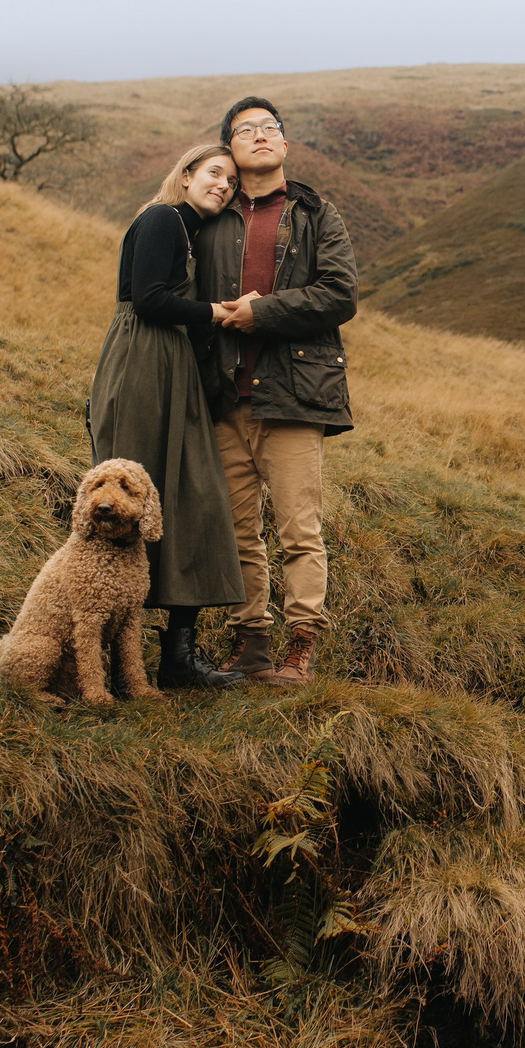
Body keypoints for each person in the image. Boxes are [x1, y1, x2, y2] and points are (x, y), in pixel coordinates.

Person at [196, 97, 358, 688]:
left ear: (285, 144)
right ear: (230, 149)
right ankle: (251, 648)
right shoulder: (210, 216)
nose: (260, 135)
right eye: (246, 130)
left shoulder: (317, 214)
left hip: (293, 394)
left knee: (298, 531)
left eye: (270, 128)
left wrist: (262, 312)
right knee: (238, 532)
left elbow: (340, 294)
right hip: (223, 397)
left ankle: (300, 649)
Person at [84, 142, 247, 689]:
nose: (223, 185)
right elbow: (151, 300)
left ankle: (177, 658)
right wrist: (216, 313)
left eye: (231, 182)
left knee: (193, 499)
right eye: (215, 173)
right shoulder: (161, 219)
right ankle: (96, 659)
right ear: (186, 174)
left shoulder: (191, 231)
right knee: (120, 506)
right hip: (142, 365)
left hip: (173, 367)